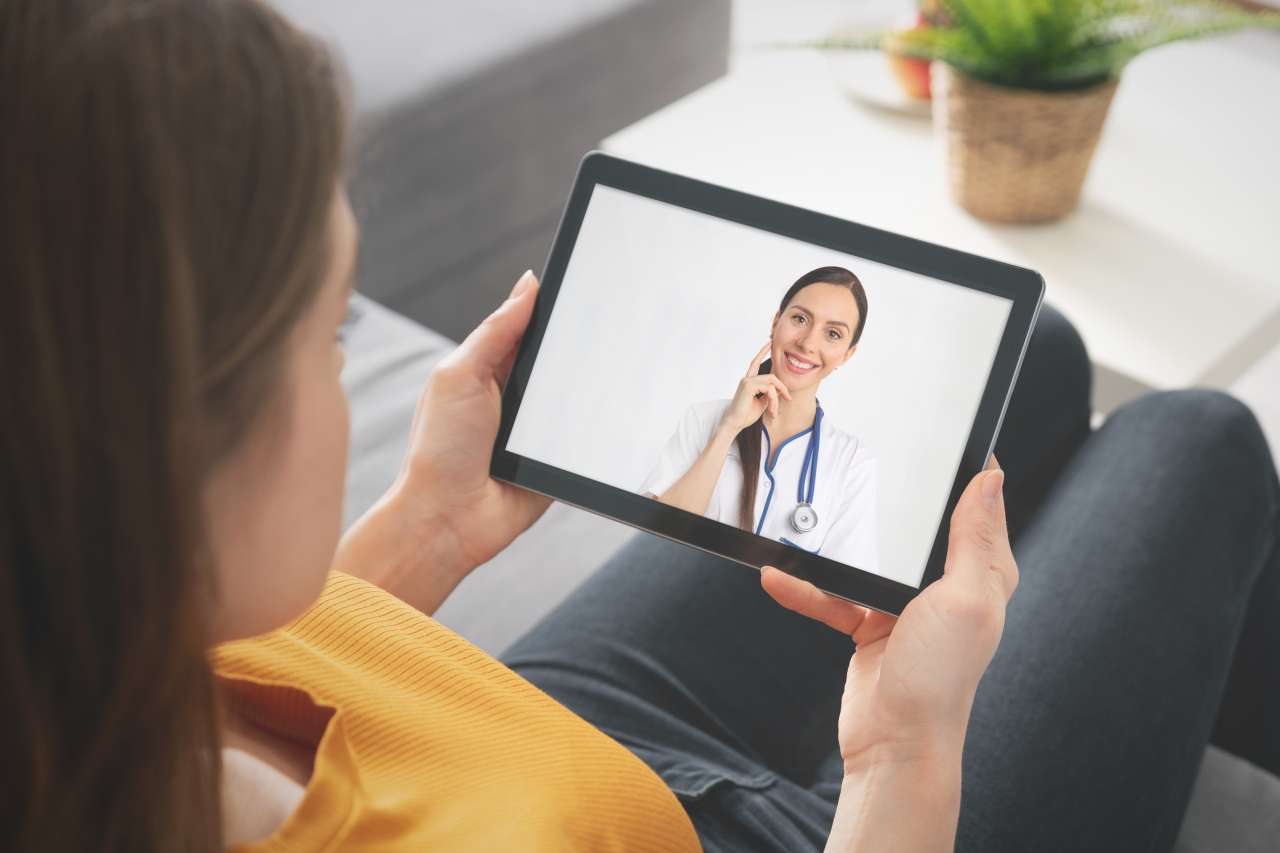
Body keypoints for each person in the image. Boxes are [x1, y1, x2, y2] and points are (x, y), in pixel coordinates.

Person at [4, 2, 1279, 852]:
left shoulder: (85, 669)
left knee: (1033, 356)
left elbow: (263, 680)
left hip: (527, 731)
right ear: (151, 466)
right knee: (1198, 442)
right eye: (328, 332)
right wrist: (903, 752)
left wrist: (428, 530)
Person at [640, 267, 879, 571]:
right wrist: (728, 428)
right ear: (776, 322)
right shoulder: (705, 420)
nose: (807, 343)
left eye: (832, 334)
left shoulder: (852, 464)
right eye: (800, 319)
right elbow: (646, 541)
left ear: (847, 355)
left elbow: (846, 596)